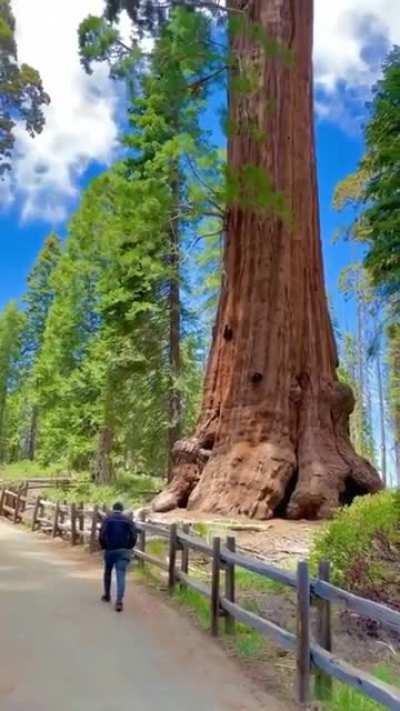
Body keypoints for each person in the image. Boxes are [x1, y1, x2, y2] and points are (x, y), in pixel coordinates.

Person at [99, 502, 137, 612]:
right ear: (122, 509)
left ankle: (107, 595)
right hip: (123, 551)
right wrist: (129, 547)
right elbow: (134, 536)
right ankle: (119, 601)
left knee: (108, 572)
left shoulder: (107, 519)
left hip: (110, 550)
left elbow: (101, 535)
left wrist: (104, 546)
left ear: (113, 509)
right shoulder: (128, 520)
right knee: (121, 575)